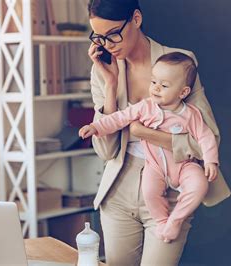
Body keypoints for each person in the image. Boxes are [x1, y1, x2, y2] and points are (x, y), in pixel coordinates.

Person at [86, 0, 231, 265]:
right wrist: (110, 85)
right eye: (100, 37)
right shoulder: (102, 72)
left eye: (113, 34)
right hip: (118, 190)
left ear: (137, 19)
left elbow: (207, 138)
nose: (108, 44)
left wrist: (144, 132)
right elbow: (107, 151)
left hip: (170, 189)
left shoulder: (180, 62)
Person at [80, 52, 219, 243]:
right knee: (149, 191)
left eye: (164, 85)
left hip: (184, 165)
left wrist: (211, 160)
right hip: (154, 167)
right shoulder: (145, 107)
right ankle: (162, 221)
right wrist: (95, 127)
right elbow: (120, 118)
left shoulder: (190, 114)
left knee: (200, 185)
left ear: (183, 92)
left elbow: (206, 136)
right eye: (153, 82)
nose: (155, 88)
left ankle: (176, 219)